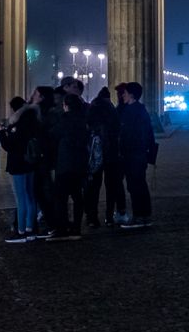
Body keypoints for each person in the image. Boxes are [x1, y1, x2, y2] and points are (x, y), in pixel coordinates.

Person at [46, 84, 92, 240]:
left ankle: (61, 228)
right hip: (80, 164)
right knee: (77, 197)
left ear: (66, 106)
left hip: (65, 165)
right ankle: (77, 228)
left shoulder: (64, 120)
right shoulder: (83, 121)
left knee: (60, 198)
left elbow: (52, 136)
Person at [0, 96, 43, 242]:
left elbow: (9, 146)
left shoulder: (19, 124)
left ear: (14, 109)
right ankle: (31, 228)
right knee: (30, 196)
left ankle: (21, 231)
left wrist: (1, 132)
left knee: (21, 198)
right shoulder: (35, 121)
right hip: (30, 163)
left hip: (18, 164)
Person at [116, 81, 155, 229]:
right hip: (139, 154)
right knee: (140, 185)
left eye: (124, 93)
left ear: (131, 95)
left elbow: (129, 135)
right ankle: (144, 216)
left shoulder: (131, 112)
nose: (122, 95)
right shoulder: (141, 110)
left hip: (132, 154)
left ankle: (139, 217)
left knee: (135, 186)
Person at [84, 85, 125, 227]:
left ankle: (92, 218)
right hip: (111, 154)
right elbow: (118, 130)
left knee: (93, 188)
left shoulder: (92, 110)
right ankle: (109, 216)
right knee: (111, 186)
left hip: (95, 154)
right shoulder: (112, 110)